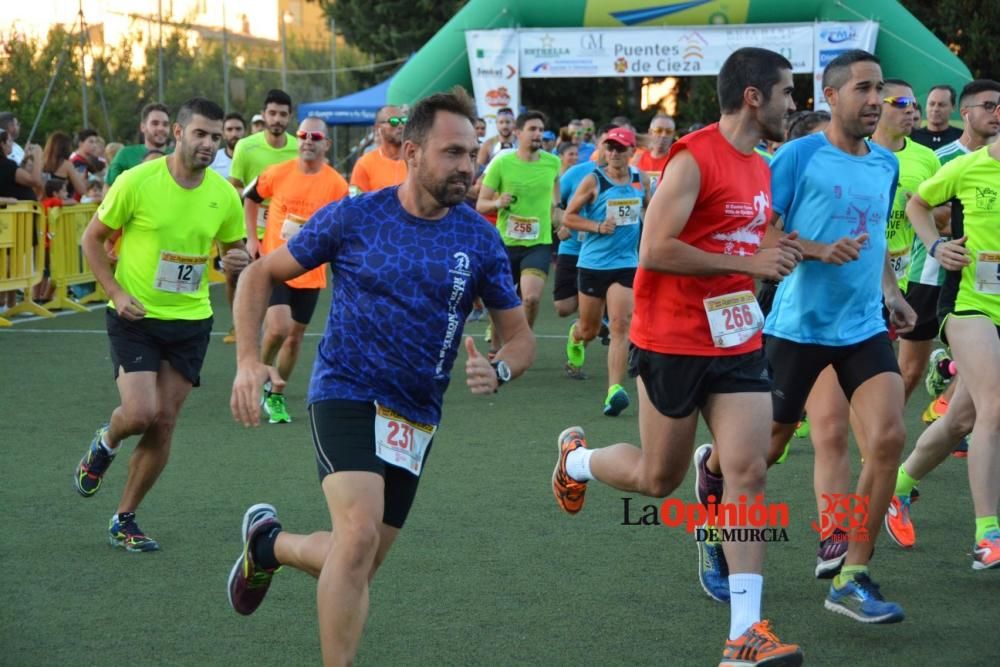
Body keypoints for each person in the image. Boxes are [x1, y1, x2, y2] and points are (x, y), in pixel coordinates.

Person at [226, 87, 535, 665]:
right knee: (360, 534)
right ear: (412, 152)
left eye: (472, 154)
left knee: (357, 557)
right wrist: (248, 360)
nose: (467, 167)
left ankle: (269, 545)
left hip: (416, 414)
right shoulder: (356, 214)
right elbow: (260, 272)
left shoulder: (479, 237)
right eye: (453, 153)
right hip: (345, 390)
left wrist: (499, 368)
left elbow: (519, 338)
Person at [551, 47, 803, 666]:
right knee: (657, 481)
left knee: (748, 470)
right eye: (787, 93)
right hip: (671, 339)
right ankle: (577, 460)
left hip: (737, 340)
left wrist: (802, 250)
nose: (792, 105)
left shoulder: (762, 167)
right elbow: (655, 250)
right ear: (753, 95)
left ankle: (745, 632)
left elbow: (756, 237)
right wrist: (747, 264)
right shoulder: (693, 157)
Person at [706, 50, 915, 623]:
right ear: (832, 96)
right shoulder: (798, 156)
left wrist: (891, 291)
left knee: (890, 437)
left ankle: (853, 575)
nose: (877, 102)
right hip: (796, 328)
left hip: (863, 326)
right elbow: (761, 232)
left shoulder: (884, 165)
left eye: (883, 93)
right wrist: (817, 251)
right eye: (865, 90)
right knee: (764, 450)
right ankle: (713, 490)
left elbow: (871, 241)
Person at [71, 98, 249, 552]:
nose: (210, 143)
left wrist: (236, 260)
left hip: (190, 321)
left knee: (164, 423)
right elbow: (90, 238)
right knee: (139, 414)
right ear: (178, 132)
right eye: (201, 134)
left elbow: (232, 253)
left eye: (216, 137)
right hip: (136, 317)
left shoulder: (224, 194)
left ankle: (124, 519)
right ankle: (106, 442)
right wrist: (114, 292)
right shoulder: (137, 181)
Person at [900, 120, 1000, 570]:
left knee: (962, 417)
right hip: (969, 304)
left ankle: (900, 485)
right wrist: (937, 245)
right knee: (995, 408)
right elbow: (918, 203)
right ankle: (988, 535)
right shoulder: (967, 168)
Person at [243, 118, 350, 424]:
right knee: (278, 327)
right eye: (303, 134)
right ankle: (257, 373)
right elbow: (250, 198)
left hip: (311, 270)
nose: (307, 140)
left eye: (316, 136)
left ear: (326, 144)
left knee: (294, 337)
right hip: (275, 265)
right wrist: (253, 237)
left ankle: (275, 395)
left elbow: (343, 226)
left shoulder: (336, 184)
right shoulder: (277, 172)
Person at [915, 79, 1000, 428]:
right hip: (942, 272)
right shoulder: (946, 159)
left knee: (969, 412)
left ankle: (950, 371)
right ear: (966, 112)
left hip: (985, 284)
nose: (994, 114)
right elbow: (917, 203)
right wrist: (939, 243)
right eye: (988, 106)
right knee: (908, 368)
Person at [562, 127, 650, 415]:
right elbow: (569, 217)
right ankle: (576, 337)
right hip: (593, 264)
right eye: (609, 148)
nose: (614, 153)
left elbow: (651, 211)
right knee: (589, 328)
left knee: (621, 324)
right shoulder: (593, 180)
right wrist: (597, 227)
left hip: (626, 264)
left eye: (620, 148)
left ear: (631, 151)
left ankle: (614, 391)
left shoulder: (641, 180)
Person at [871, 81, 941, 401]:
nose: (911, 110)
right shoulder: (857, 152)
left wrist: (922, 208)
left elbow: (944, 215)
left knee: (902, 371)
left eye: (913, 104)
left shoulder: (927, 158)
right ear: (876, 104)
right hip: (855, 276)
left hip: (904, 277)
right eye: (900, 102)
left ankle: (876, 443)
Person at [476, 110, 561, 353]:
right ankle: (495, 346)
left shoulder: (553, 162)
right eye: (532, 129)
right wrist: (497, 203)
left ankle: (523, 340)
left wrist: (560, 219)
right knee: (500, 299)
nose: (538, 134)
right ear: (518, 133)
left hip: (539, 242)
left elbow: (556, 201)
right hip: (505, 243)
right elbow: (481, 203)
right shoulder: (502, 162)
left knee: (531, 298)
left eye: (540, 130)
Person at [228, 90, 299, 344]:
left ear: (290, 117)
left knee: (281, 309)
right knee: (253, 288)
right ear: (263, 115)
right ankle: (246, 332)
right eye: (272, 113)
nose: (277, 119)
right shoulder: (246, 147)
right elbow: (233, 186)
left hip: (286, 233)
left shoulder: (298, 147)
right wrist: (257, 196)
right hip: (253, 230)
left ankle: (268, 340)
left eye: (282, 114)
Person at [105, 103, 171, 187]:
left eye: (165, 124)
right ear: (143, 127)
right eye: (155, 123)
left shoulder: (178, 155)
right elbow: (109, 189)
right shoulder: (125, 154)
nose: (161, 128)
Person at [349, 105, 407, 194]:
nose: (400, 125)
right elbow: (354, 201)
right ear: (378, 127)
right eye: (393, 121)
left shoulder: (416, 161)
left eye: (403, 121)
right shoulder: (364, 164)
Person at [631, 114, 675, 192]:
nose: (663, 135)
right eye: (659, 130)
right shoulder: (637, 159)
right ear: (650, 132)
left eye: (668, 131)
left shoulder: (676, 160)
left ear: (673, 134)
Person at [41, 131, 89, 200]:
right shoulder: (66, 165)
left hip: (42, 205)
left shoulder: (41, 162)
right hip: (62, 206)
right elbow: (81, 190)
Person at [0, 129, 41, 200]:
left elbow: (14, 176)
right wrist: (38, 154)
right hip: (21, 210)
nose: (12, 143)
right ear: (2, 144)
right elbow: (34, 181)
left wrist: (25, 158)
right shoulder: (7, 165)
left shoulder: (7, 165)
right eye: (9, 141)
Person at [210, 112, 246, 180]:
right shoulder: (213, 159)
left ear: (245, 132)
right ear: (223, 134)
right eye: (229, 129)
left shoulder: (254, 157)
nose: (234, 134)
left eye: (238, 129)